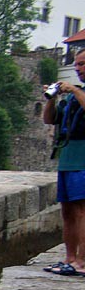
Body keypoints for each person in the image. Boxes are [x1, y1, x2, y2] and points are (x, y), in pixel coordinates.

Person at [42, 49, 85, 277]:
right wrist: (51, 99)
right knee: (68, 211)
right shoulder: (71, 97)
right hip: (67, 158)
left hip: (83, 159)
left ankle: (82, 262)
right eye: (76, 65)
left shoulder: (78, 93)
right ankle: (69, 258)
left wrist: (75, 90)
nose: (77, 69)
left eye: (82, 64)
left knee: (82, 211)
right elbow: (50, 120)